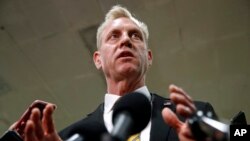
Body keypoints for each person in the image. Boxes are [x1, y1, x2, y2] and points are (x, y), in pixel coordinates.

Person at [7, 5, 216, 141]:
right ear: (98, 59)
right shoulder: (70, 137)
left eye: (135, 36)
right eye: (114, 36)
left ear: (149, 57)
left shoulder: (195, 116)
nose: (125, 40)